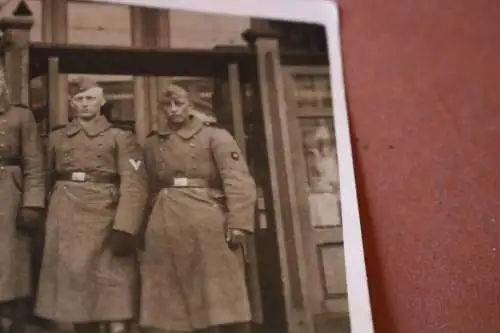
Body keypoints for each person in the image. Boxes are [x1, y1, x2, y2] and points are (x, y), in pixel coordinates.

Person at [139, 84, 257, 333]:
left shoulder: (215, 136)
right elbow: (144, 185)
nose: (173, 110)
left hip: (207, 218)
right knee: (170, 296)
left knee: (215, 291)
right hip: (165, 220)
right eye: (167, 106)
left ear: (190, 105)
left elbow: (238, 180)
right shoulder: (152, 143)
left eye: (178, 104)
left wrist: (239, 223)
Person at [35, 76, 148, 333]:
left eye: (91, 99)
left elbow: (134, 183)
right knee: (73, 281)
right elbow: (43, 177)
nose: (85, 104)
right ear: (71, 103)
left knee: (111, 282)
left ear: (102, 101)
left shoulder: (120, 136)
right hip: (65, 212)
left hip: (105, 215)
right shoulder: (57, 137)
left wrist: (126, 225)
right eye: (79, 99)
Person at [0, 71, 45, 333]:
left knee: (12, 262)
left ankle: (15, 323)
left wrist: (32, 203)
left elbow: (34, 162)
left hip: (9, 194)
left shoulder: (20, 116)